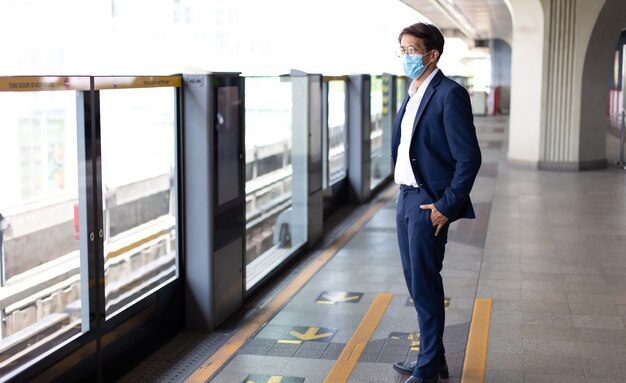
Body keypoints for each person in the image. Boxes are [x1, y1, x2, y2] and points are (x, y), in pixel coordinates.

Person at [391, 22, 482, 383]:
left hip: (428, 203)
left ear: (433, 54)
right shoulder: (413, 91)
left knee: (426, 285)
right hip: (405, 198)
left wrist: (447, 205)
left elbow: (469, 158)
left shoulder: (449, 94)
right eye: (402, 50)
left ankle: (427, 368)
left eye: (411, 50)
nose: (405, 57)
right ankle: (436, 358)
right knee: (416, 283)